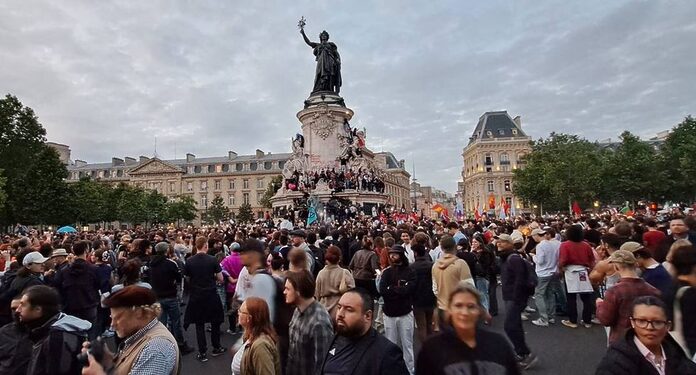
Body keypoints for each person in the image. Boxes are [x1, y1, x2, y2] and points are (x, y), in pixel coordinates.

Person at [416, 283, 521, 375]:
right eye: (458, 306)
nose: (465, 312)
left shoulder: (498, 344)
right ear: (449, 311)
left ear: (479, 311)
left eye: (471, 306)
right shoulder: (432, 349)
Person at [81, 285, 180, 375]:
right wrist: (108, 363)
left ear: (138, 312)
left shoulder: (156, 348)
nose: (112, 325)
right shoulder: (140, 337)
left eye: (118, 318)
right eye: (112, 318)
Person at [595, 296, 696, 375]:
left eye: (657, 322)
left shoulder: (675, 352)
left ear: (668, 326)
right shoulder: (615, 363)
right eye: (642, 321)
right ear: (632, 322)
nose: (649, 327)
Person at [318, 289, 409, 375]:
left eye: (349, 310)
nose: (340, 314)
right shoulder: (334, 339)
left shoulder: (386, 354)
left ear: (367, 316)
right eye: (339, 307)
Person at [17, 285, 91, 375]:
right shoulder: (42, 330)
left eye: (23, 305)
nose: (18, 310)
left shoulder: (56, 337)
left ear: (38, 309)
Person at [596, 250, 661, 344]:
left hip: (621, 341)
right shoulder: (653, 291)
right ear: (635, 265)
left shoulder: (614, 291)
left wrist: (599, 304)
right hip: (646, 340)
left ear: (616, 267)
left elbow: (605, 320)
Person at [496, 233, 537, 369]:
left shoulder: (513, 258)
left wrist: (516, 297)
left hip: (515, 297)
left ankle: (525, 353)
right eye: (498, 242)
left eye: (502, 242)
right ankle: (522, 353)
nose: (499, 244)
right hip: (510, 297)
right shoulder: (506, 258)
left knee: (510, 326)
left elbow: (520, 279)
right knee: (515, 325)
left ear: (510, 243)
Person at [183, 237, 226, 362]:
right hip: (211, 294)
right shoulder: (212, 260)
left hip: (196, 295)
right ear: (206, 246)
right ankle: (216, 347)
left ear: (196, 246)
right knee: (215, 322)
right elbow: (221, 278)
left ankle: (202, 352)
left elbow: (187, 278)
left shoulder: (189, 261)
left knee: (199, 324)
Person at [285, 270, 333, 375]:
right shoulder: (297, 310)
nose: (284, 292)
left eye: (288, 289)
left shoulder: (319, 322)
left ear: (298, 291)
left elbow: (322, 365)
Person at [149, 241, 194, 355]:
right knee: (176, 321)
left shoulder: (151, 263)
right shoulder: (171, 263)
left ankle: (164, 345)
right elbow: (179, 278)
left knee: (162, 323)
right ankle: (180, 344)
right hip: (170, 295)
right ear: (166, 250)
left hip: (157, 296)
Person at [379, 245, 416, 374]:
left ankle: (410, 371)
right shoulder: (387, 272)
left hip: (405, 313)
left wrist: (392, 289)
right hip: (389, 313)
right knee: (390, 345)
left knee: (408, 345)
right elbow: (383, 290)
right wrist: (399, 290)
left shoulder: (409, 271)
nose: (392, 256)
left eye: (395, 254)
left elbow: (410, 289)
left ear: (401, 255)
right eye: (391, 254)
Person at [54, 240, 100, 331]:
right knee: (90, 333)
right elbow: (98, 285)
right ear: (86, 251)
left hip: (70, 306)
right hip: (88, 304)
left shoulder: (64, 270)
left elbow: (57, 285)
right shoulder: (93, 269)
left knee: (73, 334)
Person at [231, 297, 281, 375]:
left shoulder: (260, 346)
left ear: (249, 318)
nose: (238, 313)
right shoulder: (249, 335)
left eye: (240, 311)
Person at [559, 224, 596, 329]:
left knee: (571, 298)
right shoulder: (586, 245)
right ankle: (587, 320)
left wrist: (560, 268)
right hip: (583, 271)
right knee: (586, 297)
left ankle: (573, 320)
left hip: (570, 271)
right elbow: (592, 259)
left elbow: (563, 259)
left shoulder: (565, 245)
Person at [431, 235, 474, 324]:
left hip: (442, 308)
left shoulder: (435, 265)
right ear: (455, 247)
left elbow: (435, 289)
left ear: (442, 248)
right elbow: (470, 287)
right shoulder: (461, 263)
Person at [530, 227, 562, 326]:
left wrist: (533, 256)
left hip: (542, 273)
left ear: (536, 236)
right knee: (550, 294)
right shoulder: (553, 244)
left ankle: (544, 319)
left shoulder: (540, 246)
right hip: (552, 272)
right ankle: (551, 316)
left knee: (539, 295)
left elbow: (540, 261)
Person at [315, 245, 355, 318]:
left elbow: (316, 294)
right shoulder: (344, 272)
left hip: (323, 308)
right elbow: (352, 291)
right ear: (339, 258)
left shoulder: (321, 273)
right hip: (339, 308)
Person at [300, 27, 342, 94]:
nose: (324, 36)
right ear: (320, 37)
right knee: (319, 74)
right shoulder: (318, 45)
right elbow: (309, 42)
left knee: (330, 75)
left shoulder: (331, 45)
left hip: (330, 61)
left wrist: (338, 60)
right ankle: (319, 88)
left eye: (325, 35)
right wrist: (303, 34)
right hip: (321, 61)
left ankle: (330, 89)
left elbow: (336, 54)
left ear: (327, 37)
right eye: (322, 35)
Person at [410, 243, 436, 342]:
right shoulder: (432, 265)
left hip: (417, 299)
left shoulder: (412, 267)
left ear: (415, 253)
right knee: (429, 324)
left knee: (421, 326)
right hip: (430, 297)